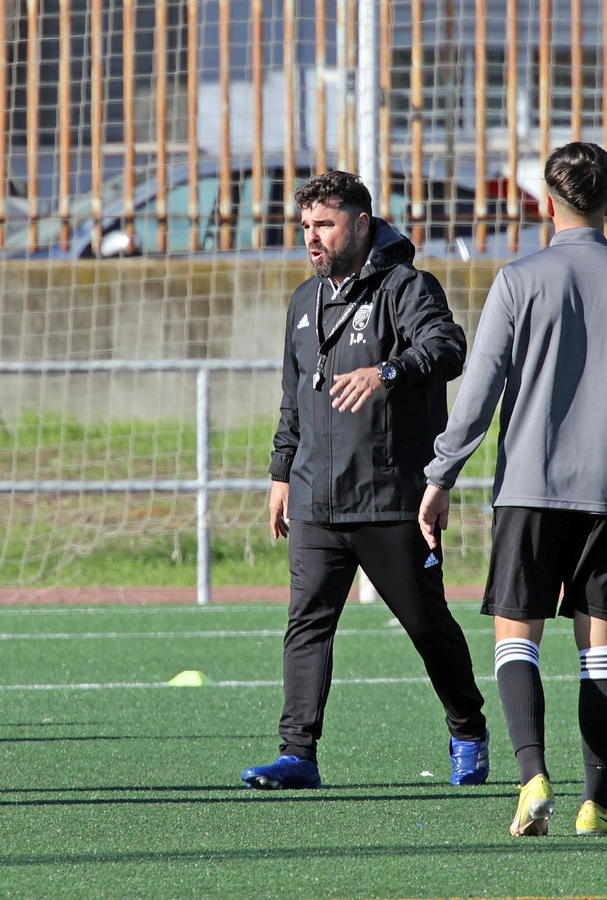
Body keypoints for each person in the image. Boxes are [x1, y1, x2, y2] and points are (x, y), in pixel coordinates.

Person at [420, 142, 607, 837]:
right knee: (603, 648)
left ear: (546, 202)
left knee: (517, 640)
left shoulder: (517, 280)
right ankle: (597, 802)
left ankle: (533, 778)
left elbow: (477, 394)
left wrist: (441, 472)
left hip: (529, 494)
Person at [244, 170, 490, 790]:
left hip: (388, 497)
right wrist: (281, 474)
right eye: (305, 227)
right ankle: (298, 753)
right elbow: (293, 398)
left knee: (426, 622)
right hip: (314, 500)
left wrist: (388, 370)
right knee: (307, 623)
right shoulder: (305, 300)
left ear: (360, 222)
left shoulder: (408, 287)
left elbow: (450, 347)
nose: (312, 238)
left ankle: (467, 726)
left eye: (324, 224)